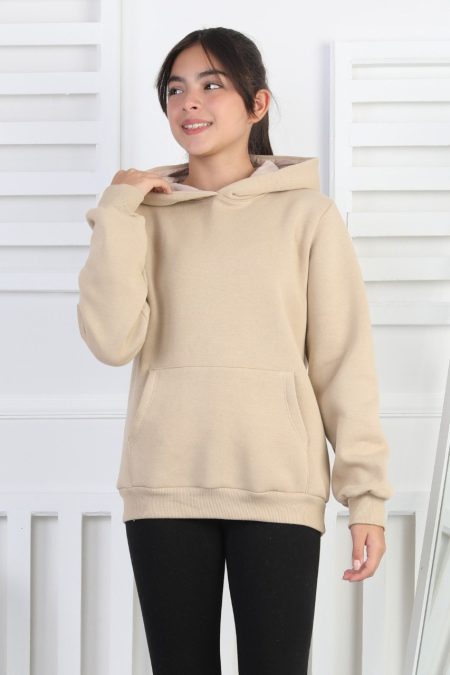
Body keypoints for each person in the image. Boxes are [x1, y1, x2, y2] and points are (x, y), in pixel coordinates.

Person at [77, 26, 394, 675]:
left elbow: (344, 365)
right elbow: (111, 340)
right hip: (165, 486)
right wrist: (116, 211)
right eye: (175, 90)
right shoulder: (140, 216)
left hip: (278, 486)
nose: (189, 102)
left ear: (258, 104)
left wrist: (366, 497)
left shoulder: (308, 217)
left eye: (211, 84)